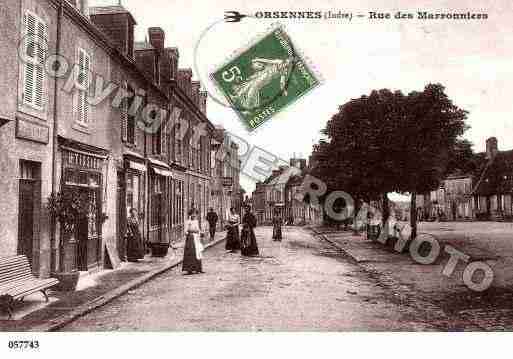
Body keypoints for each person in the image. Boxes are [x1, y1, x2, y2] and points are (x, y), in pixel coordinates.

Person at [182, 209, 205, 275]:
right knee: (191, 252)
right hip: (191, 238)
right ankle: (190, 269)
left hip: (196, 238)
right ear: (190, 215)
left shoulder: (196, 221)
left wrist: (200, 233)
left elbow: (198, 229)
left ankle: (198, 268)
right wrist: (189, 232)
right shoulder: (188, 222)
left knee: (198, 253)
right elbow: (185, 231)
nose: (194, 215)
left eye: (195, 214)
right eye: (192, 214)